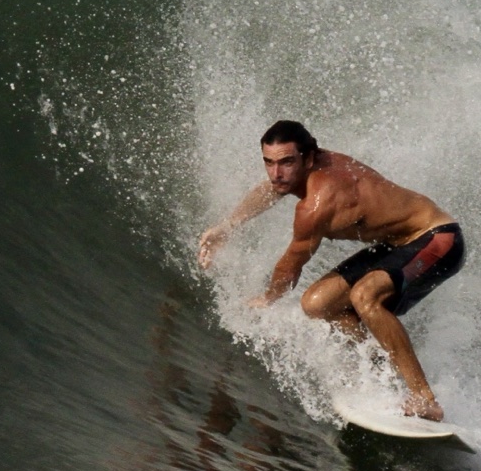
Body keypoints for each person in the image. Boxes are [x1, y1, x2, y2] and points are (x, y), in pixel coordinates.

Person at [196, 120, 465, 419]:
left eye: (286, 162)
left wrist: (267, 298)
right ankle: (383, 372)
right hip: (398, 244)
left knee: (365, 296)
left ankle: (424, 398)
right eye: (269, 163)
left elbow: (290, 266)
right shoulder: (303, 169)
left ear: (308, 158)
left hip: (440, 239)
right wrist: (228, 226)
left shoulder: (318, 203)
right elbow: (271, 190)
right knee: (318, 303)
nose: (276, 173)